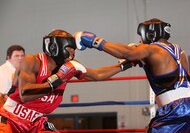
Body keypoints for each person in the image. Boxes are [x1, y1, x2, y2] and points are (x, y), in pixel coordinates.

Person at [74, 18, 190, 133]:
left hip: (174, 111)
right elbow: (98, 75)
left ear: (150, 34)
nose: (140, 41)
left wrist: (95, 41)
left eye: (141, 37)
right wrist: (129, 62)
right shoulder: (178, 50)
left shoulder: (152, 49)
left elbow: (127, 53)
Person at [0, 29, 128, 133]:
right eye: (69, 48)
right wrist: (59, 78)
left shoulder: (69, 66)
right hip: (11, 119)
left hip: (36, 122)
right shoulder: (32, 61)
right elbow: (25, 94)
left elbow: (97, 75)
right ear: (55, 47)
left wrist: (123, 65)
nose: (72, 53)